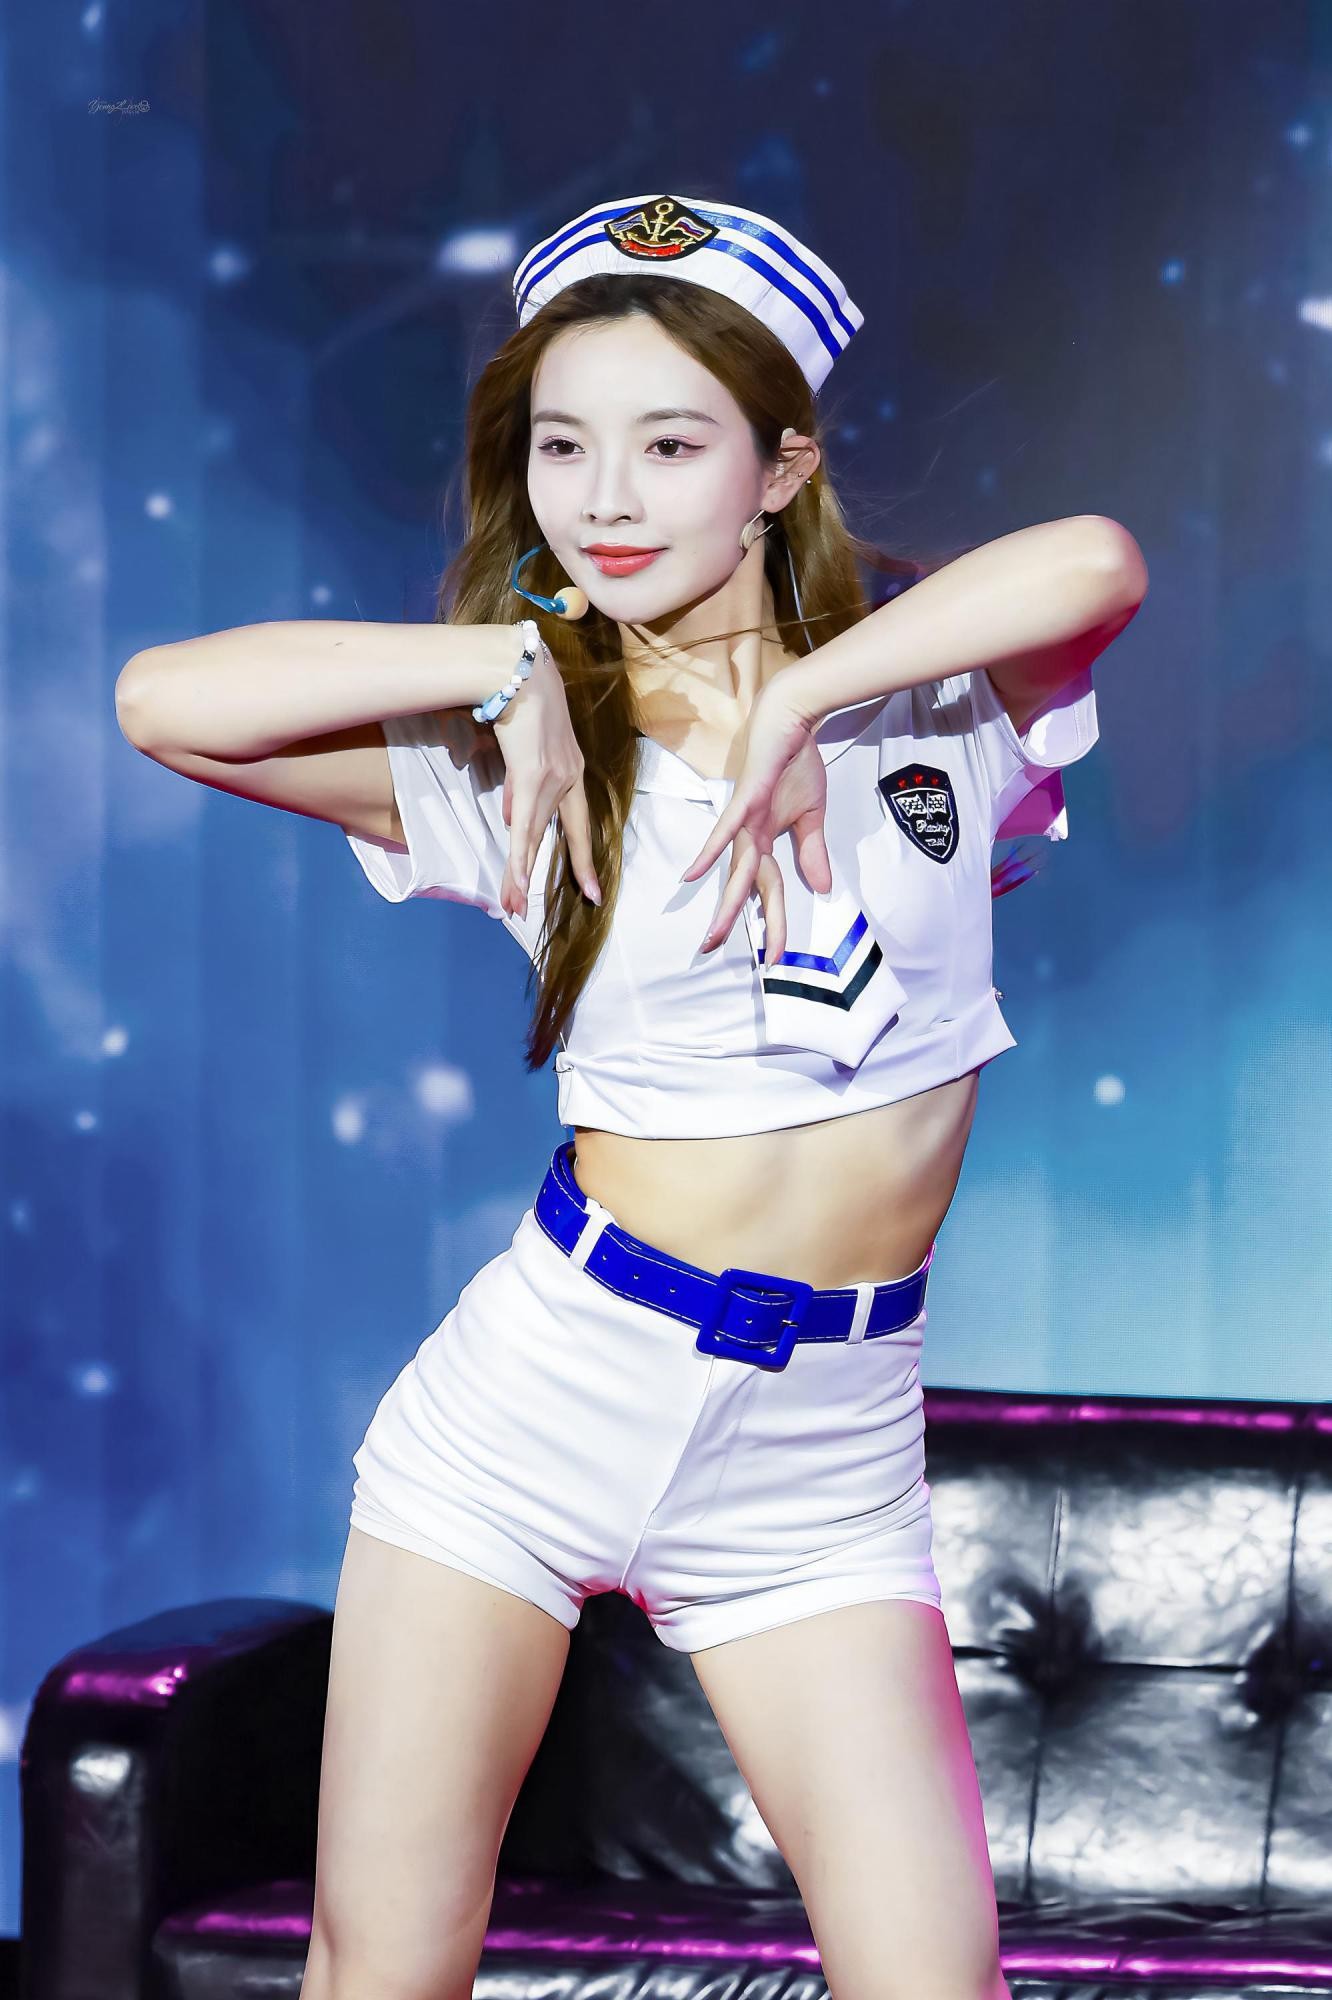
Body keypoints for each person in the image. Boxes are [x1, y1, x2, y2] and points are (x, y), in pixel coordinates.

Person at [115, 190, 1146, 2000]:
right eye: (561, 446)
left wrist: (802, 698)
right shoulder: (524, 757)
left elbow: (1099, 561)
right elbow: (164, 701)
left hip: (821, 1454)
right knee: (386, 1963)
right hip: (538, 1407)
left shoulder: (935, 708)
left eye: (671, 445)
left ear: (778, 466)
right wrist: (497, 663)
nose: (605, 498)